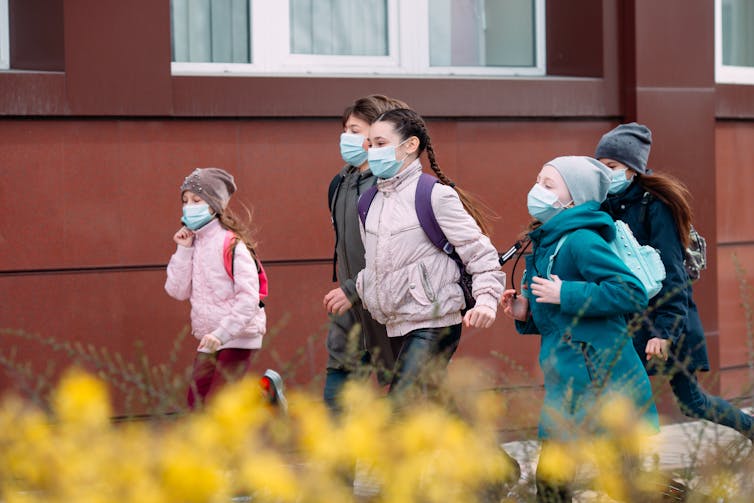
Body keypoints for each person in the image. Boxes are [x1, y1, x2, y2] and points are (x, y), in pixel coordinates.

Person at [501, 156, 659, 502]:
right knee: (554, 482)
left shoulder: (581, 241)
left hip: (604, 380)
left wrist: (566, 293)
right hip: (569, 379)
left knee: (621, 482)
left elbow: (629, 292)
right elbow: (558, 319)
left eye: (548, 185)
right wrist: (526, 311)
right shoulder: (547, 241)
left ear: (572, 199)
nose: (536, 190)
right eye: (538, 180)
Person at [325, 107, 506, 402]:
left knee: (401, 408)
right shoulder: (368, 201)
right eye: (370, 143)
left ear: (410, 145)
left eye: (381, 143)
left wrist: (486, 301)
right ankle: (478, 448)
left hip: (434, 322)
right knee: (430, 411)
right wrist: (358, 290)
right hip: (394, 322)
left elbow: (481, 254)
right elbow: (377, 265)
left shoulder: (434, 194)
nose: (371, 150)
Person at [597, 122, 754, 440]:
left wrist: (665, 331)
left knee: (692, 402)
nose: (604, 174)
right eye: (599, 166)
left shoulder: (655, 206)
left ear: (632, 168)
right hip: (627, 317)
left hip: (664, 318)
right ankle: (632, 478)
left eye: (611, 166)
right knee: (621, 399)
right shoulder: (603, 205)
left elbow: (673, 272)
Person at [322, 94, 409, 413]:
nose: (347, 137)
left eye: (356, 130)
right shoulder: (339, 183)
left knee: (415, 404)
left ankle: (490, 462)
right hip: (351, 309)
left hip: (390, 308)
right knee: (338, 397)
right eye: (346, 129)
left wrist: (351, 289)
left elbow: (394, 254)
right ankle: (341, 464)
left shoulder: (390, 186)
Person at [165, 167, 268, 410]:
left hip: (238, 336)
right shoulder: (196, 242)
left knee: (217, 407)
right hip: (210, 338)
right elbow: (177, 290)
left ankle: (264, 394)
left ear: (213, 206)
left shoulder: (232, 245)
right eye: (185, 200)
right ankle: (258, 393)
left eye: (196, 200)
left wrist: (221, 333)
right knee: (196, 403)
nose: (189, 206)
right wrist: (184, 249)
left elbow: (249, 299)